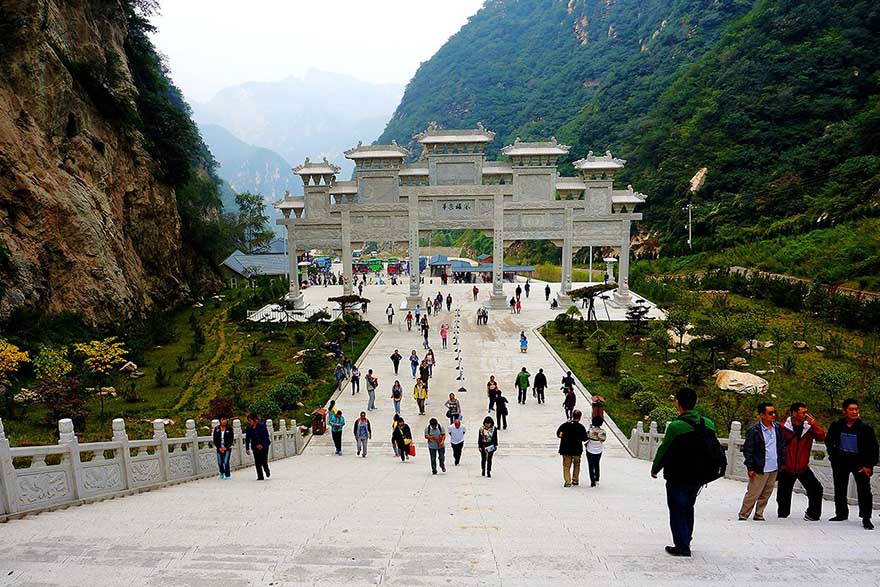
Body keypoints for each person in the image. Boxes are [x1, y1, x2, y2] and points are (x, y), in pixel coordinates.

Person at [651, 388, 718, 557]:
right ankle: (686, 539)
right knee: (689, 506)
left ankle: (682, 546)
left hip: (678, 474)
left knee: (677, 508)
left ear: (678, 404)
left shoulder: (676, 426)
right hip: (699, 475)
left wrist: (655, 469)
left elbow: (664, 449)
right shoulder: (708, 423)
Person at [825, 398, 878, 529]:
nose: (854, 412)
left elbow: (874, 448)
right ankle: (841, 513)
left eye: (856, 409)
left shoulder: (865, 428)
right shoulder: (837, 425)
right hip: (841, 460)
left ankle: (866, 517)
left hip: (859, 462)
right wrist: (833, 456)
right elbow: (828, 441)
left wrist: (869, 465)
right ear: (844, 411)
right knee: (840, 487)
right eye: (851, 409)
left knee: (864, 490)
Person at [777, 402, 826, 521]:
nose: (806, 415)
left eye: (806, 412)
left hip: (802, 467)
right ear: (794, 413)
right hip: (787, 467)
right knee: (783, 493)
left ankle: (813, 514)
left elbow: (821, 437)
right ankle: (782, 515)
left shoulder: (808, 428)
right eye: (803, 412)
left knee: (816, 488)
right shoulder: (783, 428)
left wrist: (814, 425)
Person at [739, 402, 786, 521]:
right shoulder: (754, 430)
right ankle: (744, 514)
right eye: (770, 413)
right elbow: (748, 450)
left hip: (774, 466)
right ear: (762, 415)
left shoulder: (778, 428)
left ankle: (759, 513)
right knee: (753, 493)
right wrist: (750, 467)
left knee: (766, 493)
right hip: (760, 466)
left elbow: (781, 446)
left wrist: (783, 462)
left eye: (774, 412)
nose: (773, 415)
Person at [557, 409, 588, 487]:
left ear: (572, 416)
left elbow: (558, 434)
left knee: (566, 466)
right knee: (576, 465)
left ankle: (568, 482)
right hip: (577, 450)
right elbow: (585, 438)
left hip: (566, 450)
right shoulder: (581, 427)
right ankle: (575, 480)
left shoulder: (565, 425)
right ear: (580, 417)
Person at [245, 413, 271, 480]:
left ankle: (266, 470)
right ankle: (260, 476)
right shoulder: (248, 428)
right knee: (257, 462)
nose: (249, 422)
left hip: (264, 446)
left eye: (250, 420)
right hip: (255, 446)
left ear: (255, 420)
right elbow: (247, 438)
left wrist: (262, 444)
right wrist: (247, 448)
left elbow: (266, 436)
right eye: (248, 421)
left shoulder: (262, 426)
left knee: (264, 461)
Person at [586, 416, 607, 487]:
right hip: (598, 450)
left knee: (590, 465)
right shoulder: (603, 432)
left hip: (590, 449)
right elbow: (603, 440)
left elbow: (587, 436)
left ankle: (592, 481)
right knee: (597, 463)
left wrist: (590, 428)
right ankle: (597, 477)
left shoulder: (591, 430)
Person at [213, 415, 234, 480]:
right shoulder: (217, 429)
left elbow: (231, 439)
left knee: (225, 461)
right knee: (220, 462)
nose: (224, 421)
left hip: (227, 448)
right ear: (220, 421)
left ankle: (227, 475)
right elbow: (215, 439)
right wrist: (219, 447)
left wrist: (226, 447)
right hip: (219, 448)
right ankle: (221, 472)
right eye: (222, 420)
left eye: (225, 419)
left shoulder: (229, 428)